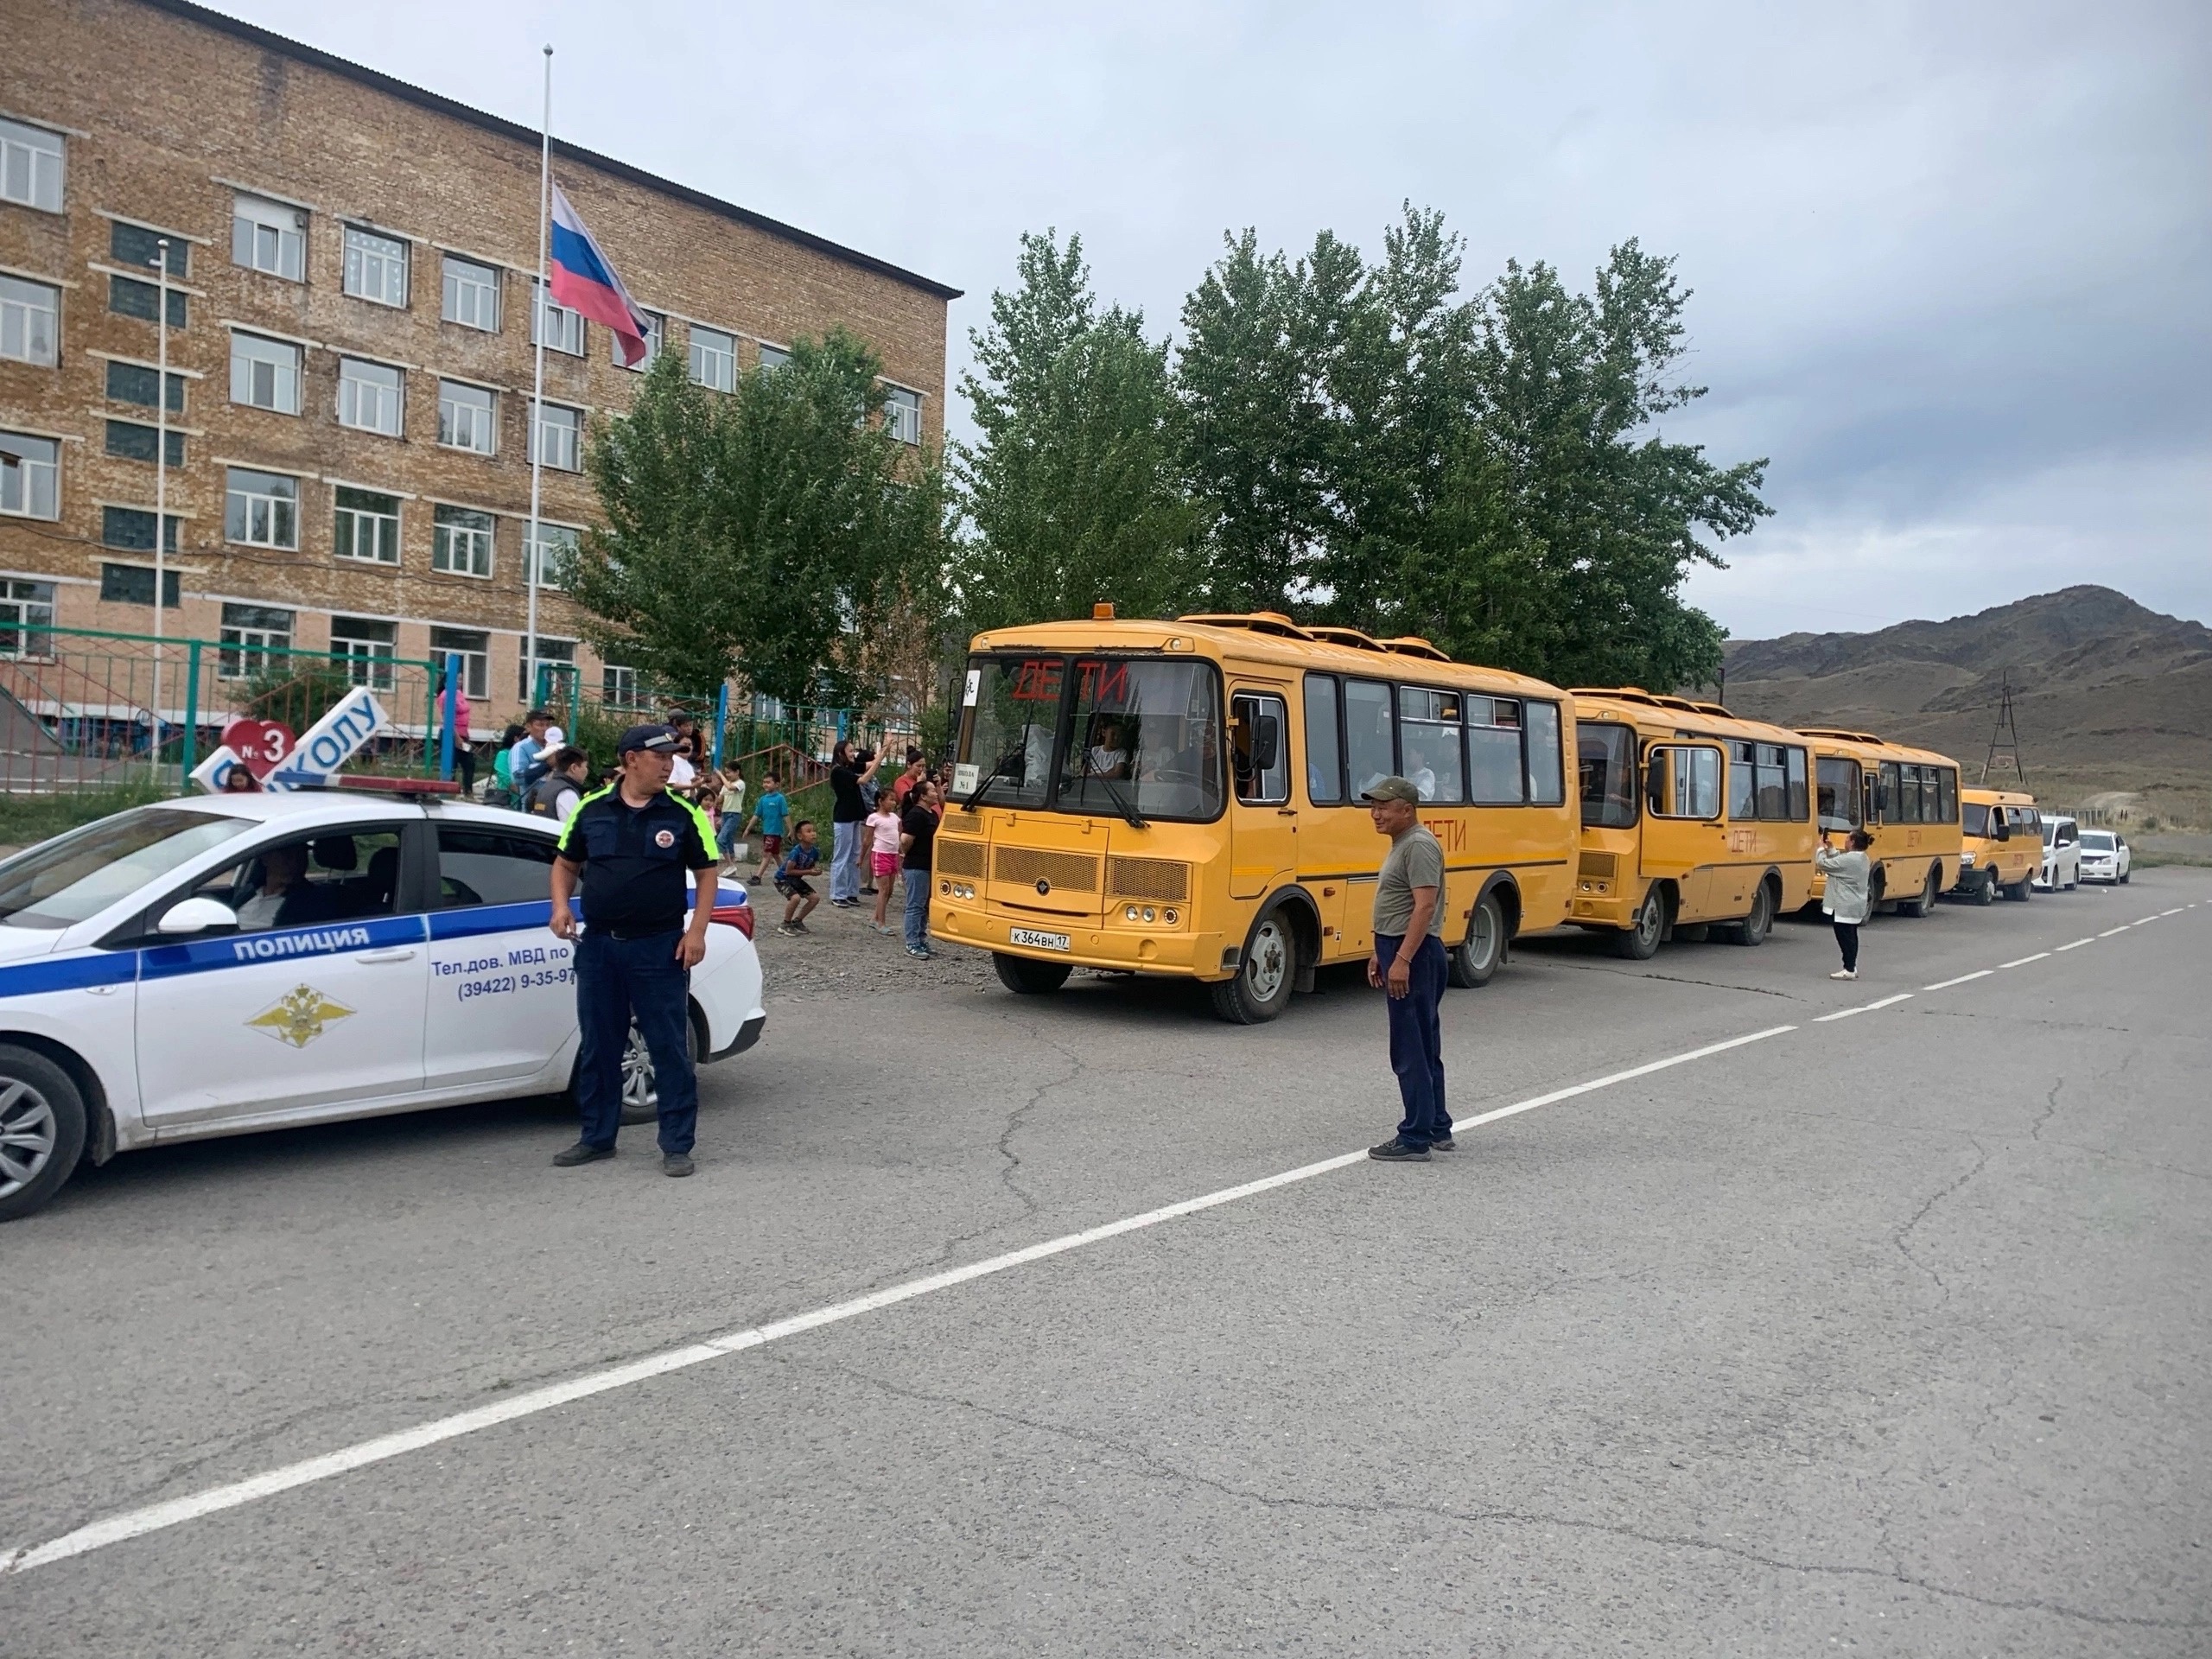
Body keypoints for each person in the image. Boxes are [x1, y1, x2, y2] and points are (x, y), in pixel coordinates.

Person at [548, 724, 719, 1179]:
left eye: (672, 756)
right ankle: (597, 1138)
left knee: (668, 1048)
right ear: (630, 760)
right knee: (600, 1045)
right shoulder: (590, 809)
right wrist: (561, 906)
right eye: (659, 755)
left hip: (659, 948)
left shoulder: (682, 813)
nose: (669, 764)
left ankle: (677, 1144)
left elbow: (707, 874)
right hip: (600, 946)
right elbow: (565, 862)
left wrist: (697, 932)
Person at [1363, 777, 1452, 1162]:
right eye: (1374, 807)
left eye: (1384, 806)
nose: (1376, 813)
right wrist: (1378, 952)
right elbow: (1395, 904)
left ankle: (1415, 1137)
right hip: (1399, 948)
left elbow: (1425, 907)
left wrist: (1401, 959)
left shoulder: (1417, 845)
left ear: (1407, 809)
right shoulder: (1404, 844)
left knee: (1410, 1048)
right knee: (1424, 1043)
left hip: (1413, 953)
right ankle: (1436, 1126)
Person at [1815, 829, 1876, 980]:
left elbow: (1824, 864)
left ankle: (1848, 968)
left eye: (1848, 838)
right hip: (1854, 903)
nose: (1845, 840)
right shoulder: (1861, 858)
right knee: (1851, 935)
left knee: (1845, 937)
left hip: (1845, 903)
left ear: (1853, 842)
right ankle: (1851, 967)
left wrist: (1821, 848)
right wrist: (1832, 849)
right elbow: (1840, 864)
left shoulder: (1851, 859)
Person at [827, 739, 880, 907]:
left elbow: (870, 764)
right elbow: (863, 780)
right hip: (843, 818)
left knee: (855, 855)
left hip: (855, 817)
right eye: (850, 751)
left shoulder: (849, 767)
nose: (853, 754)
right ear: (841, 753)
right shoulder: (838, 771)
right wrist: (878, 761)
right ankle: (837, 894)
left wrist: (883, 752)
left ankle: (851, 892)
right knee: (842, 856)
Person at [899, 779, 940, 959]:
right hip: (916, 866)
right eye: (932, 791)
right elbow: (905, 840)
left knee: (924, 906)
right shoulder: (916, 814)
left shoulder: (932, 814)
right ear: (923, 796)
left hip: (929, 866)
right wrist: (909, 854)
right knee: (915, 905)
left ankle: (921, 938)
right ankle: (912, 942)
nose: (936, 793)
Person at [865, 792, 905, 931]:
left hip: (893, 855)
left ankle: (875, 917)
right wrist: (861, 857)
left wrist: (900, 850)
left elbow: (897, 836)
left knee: (890, 890)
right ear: (881, 801)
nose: (894, 803)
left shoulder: (895, 818)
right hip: (880, 854)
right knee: (883, 889)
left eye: (895, 800)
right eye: (891, 800)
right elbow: (867, 840)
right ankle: (881, 923)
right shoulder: (873, 818)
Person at [775, 820, 822, 933]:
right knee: (795, 898)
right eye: (809, 831)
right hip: (782, 879)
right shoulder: (796, 852)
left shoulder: (814, 852)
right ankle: (785, 924)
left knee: (815, 898)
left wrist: (815, 870)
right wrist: (809, 872)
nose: (813, 833)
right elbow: (788, 871)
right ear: (800, 836)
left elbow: (810, 866)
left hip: (795, 879)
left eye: (814, 831)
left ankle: (798, 921)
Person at [525, 747, 590, 823]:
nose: (587, 771)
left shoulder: (547, 787)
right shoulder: (567, 793)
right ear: (574, 768)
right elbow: (572, 829)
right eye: (585, 766)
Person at [746, 772, 789, 885]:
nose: (765, 784)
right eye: (764, 782)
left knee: (767, 854)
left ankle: (758, 877)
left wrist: (791, 830)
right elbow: (756, 815)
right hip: (767, 831)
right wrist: (748, 828)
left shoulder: (780, 799)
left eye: (769, 782)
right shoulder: (762, 800)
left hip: (775, 832)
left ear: (777, 784)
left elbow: (785, 815)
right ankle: (787, 874)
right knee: (776, 854)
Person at [438, 673, 475, 798]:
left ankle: (468, 792)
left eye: (461, 679)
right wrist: (457, 737)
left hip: (463, 734)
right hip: (451, 734)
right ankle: (449, 792)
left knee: (470, 762)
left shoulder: (459, 694)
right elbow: (447, 719)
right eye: (457, 679)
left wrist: (465, 734)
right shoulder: (445, 696)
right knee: (451, 764)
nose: (460, 682)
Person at [509, 710, 555, 794]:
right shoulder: (521, 747)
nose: (545, 729)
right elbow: (519, 778)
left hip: (552, 801)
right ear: (528, 727)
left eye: (548, 725)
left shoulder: (554, 746)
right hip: (531, 803)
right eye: (540, 725)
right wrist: (547, 765)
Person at [715, 767, 749, 868]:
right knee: (729, 840)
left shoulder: (740, 783)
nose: (727, 775)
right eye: (725, 773)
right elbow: (719, 799)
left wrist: (720, 775)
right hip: (725, 814)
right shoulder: (725, 786)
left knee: (721, 840)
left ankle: (730, 865)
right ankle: (732, 866)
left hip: (734, 814)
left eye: (729, 772)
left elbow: (730, 788)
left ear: (737, 772)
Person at [488, 722, 524, 808]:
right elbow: (506, 779)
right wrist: (524, 794)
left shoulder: (523, 755)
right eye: (524, 738)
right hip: (507, 800)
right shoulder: (503, 755)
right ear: (516, 739)